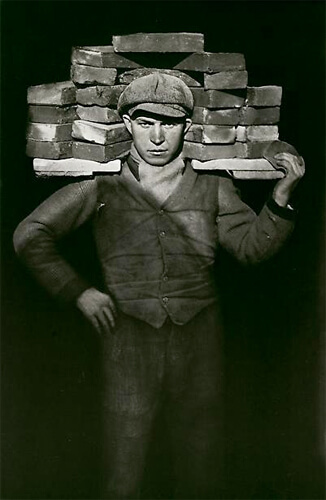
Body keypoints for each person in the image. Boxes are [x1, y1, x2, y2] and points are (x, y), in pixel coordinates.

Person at [13, 73, 305, 499]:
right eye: (145, 122)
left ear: (187, 127)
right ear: (127, 124)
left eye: (168, 124)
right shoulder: (101, 184)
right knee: (124, 468)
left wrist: (282, 195)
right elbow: (30, 234)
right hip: (128, 336)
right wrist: (78, 291)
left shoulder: (214, 186)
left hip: (200, 336)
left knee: (202, 465)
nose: (156, 136)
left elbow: (251, 249)